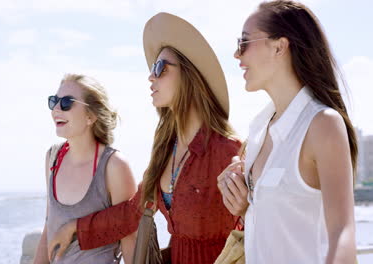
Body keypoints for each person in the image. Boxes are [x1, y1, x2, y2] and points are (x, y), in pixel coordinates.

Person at [48, 12, 242, 264]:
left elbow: (254, 226)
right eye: (152, 69)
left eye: (160, 68)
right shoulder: (166, 149)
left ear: (189, 75)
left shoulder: (227, 150)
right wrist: (75, 227)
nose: (151, 76)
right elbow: (131, 213)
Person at [217, 1, 357, 263]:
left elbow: (343, 234)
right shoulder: (258, 130)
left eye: (244, 42)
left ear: (279, 46)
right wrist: (243, 204)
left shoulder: (322, 124)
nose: (237, 55)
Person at [33, 74, 137, 264]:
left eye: (66, 103)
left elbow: (130, 234)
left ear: (91, 116)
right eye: (54, 101)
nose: (56, 108)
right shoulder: (52, 158)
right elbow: (50, 224)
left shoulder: (114, 166)